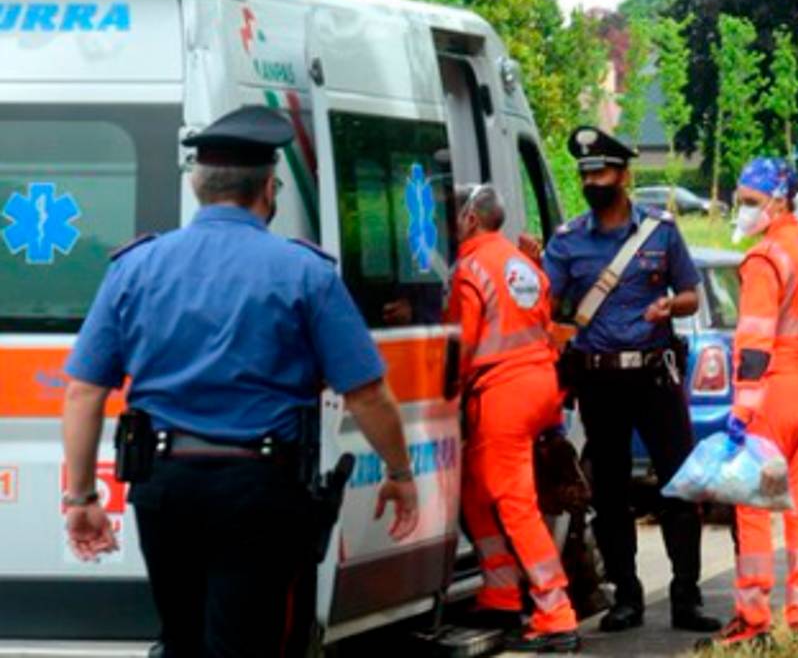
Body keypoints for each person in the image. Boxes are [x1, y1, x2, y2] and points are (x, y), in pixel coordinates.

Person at [61, 107, 420, 657]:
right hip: (261, 491)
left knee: (182, 640)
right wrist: (399, 472)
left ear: (197, 185)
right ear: (269, 190)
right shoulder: (304, 273)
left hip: (164, 488)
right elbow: (366, 392)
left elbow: (84, 391)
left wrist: (82, 496)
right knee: (251, 644)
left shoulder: (135, 267)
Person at [536, 126, 720, 634]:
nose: (594, 181)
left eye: (602, 172)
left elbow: (691, 294)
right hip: (599, 382)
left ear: (624, 176)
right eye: (586, 174)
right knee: (611, 491)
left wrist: (669, 305)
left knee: (679, 485)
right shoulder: (568, 241)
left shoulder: (659, 231)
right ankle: (627, 597)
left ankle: (686, 597)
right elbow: (545, 302)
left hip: (655, 377)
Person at [699, 158, 798, 649]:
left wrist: (743, 408)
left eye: (751, 201)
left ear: (779, 200)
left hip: (779, 389)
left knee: (753, 505)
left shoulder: (766, 258)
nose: (742, 209)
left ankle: (753, 618)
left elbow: (756, 340)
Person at [448, 184, 582, 654]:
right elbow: (544, 324)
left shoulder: (469, 268)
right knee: (477, 490)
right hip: (539, 386)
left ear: (469, 219)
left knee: (514, 504)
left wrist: (446, 392)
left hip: (501, 393)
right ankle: (501, 594)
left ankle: (556, 612)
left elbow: (462, 344)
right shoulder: (524, 263)